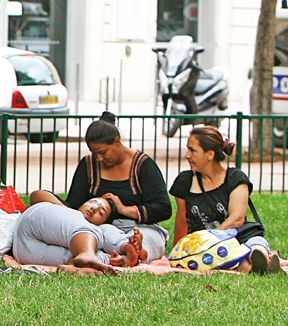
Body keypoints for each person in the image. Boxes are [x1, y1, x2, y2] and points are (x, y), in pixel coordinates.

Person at [32, 111, 171, 262]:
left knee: (150, 239)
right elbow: (74, 205)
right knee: (102, 235)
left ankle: (138, 252)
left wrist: (124, 209)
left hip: (140, 227)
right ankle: (121, 255)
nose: (99, 158)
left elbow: (163, 208)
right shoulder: (88, 165)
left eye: (103, 152)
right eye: (94, 153)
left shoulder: (143, 165)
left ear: (117, 141)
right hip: (100, 229)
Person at [168, 126, 283, 274]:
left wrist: (212, 238)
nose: (187, 155)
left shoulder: (235, 179)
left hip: (237, 238)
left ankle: (258, 256)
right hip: (201, 249)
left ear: (210, 154)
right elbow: (182, 219)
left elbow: (237, 219)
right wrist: (177, 252)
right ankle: (262, 266)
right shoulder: (184, 181)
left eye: (192, 150)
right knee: (227, 259)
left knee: (255, 242)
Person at [16, 192, 147, 275]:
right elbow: (37, 194)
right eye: (93, 202)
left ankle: (126, 250)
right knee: (90, 232)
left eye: (101, 213)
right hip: (31, 228)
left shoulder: (101, 229)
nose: (94, 208)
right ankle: (88, 255)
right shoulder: (67, 212)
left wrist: (117, 258)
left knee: (99, 250)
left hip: (26, 253)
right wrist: (68, 211)